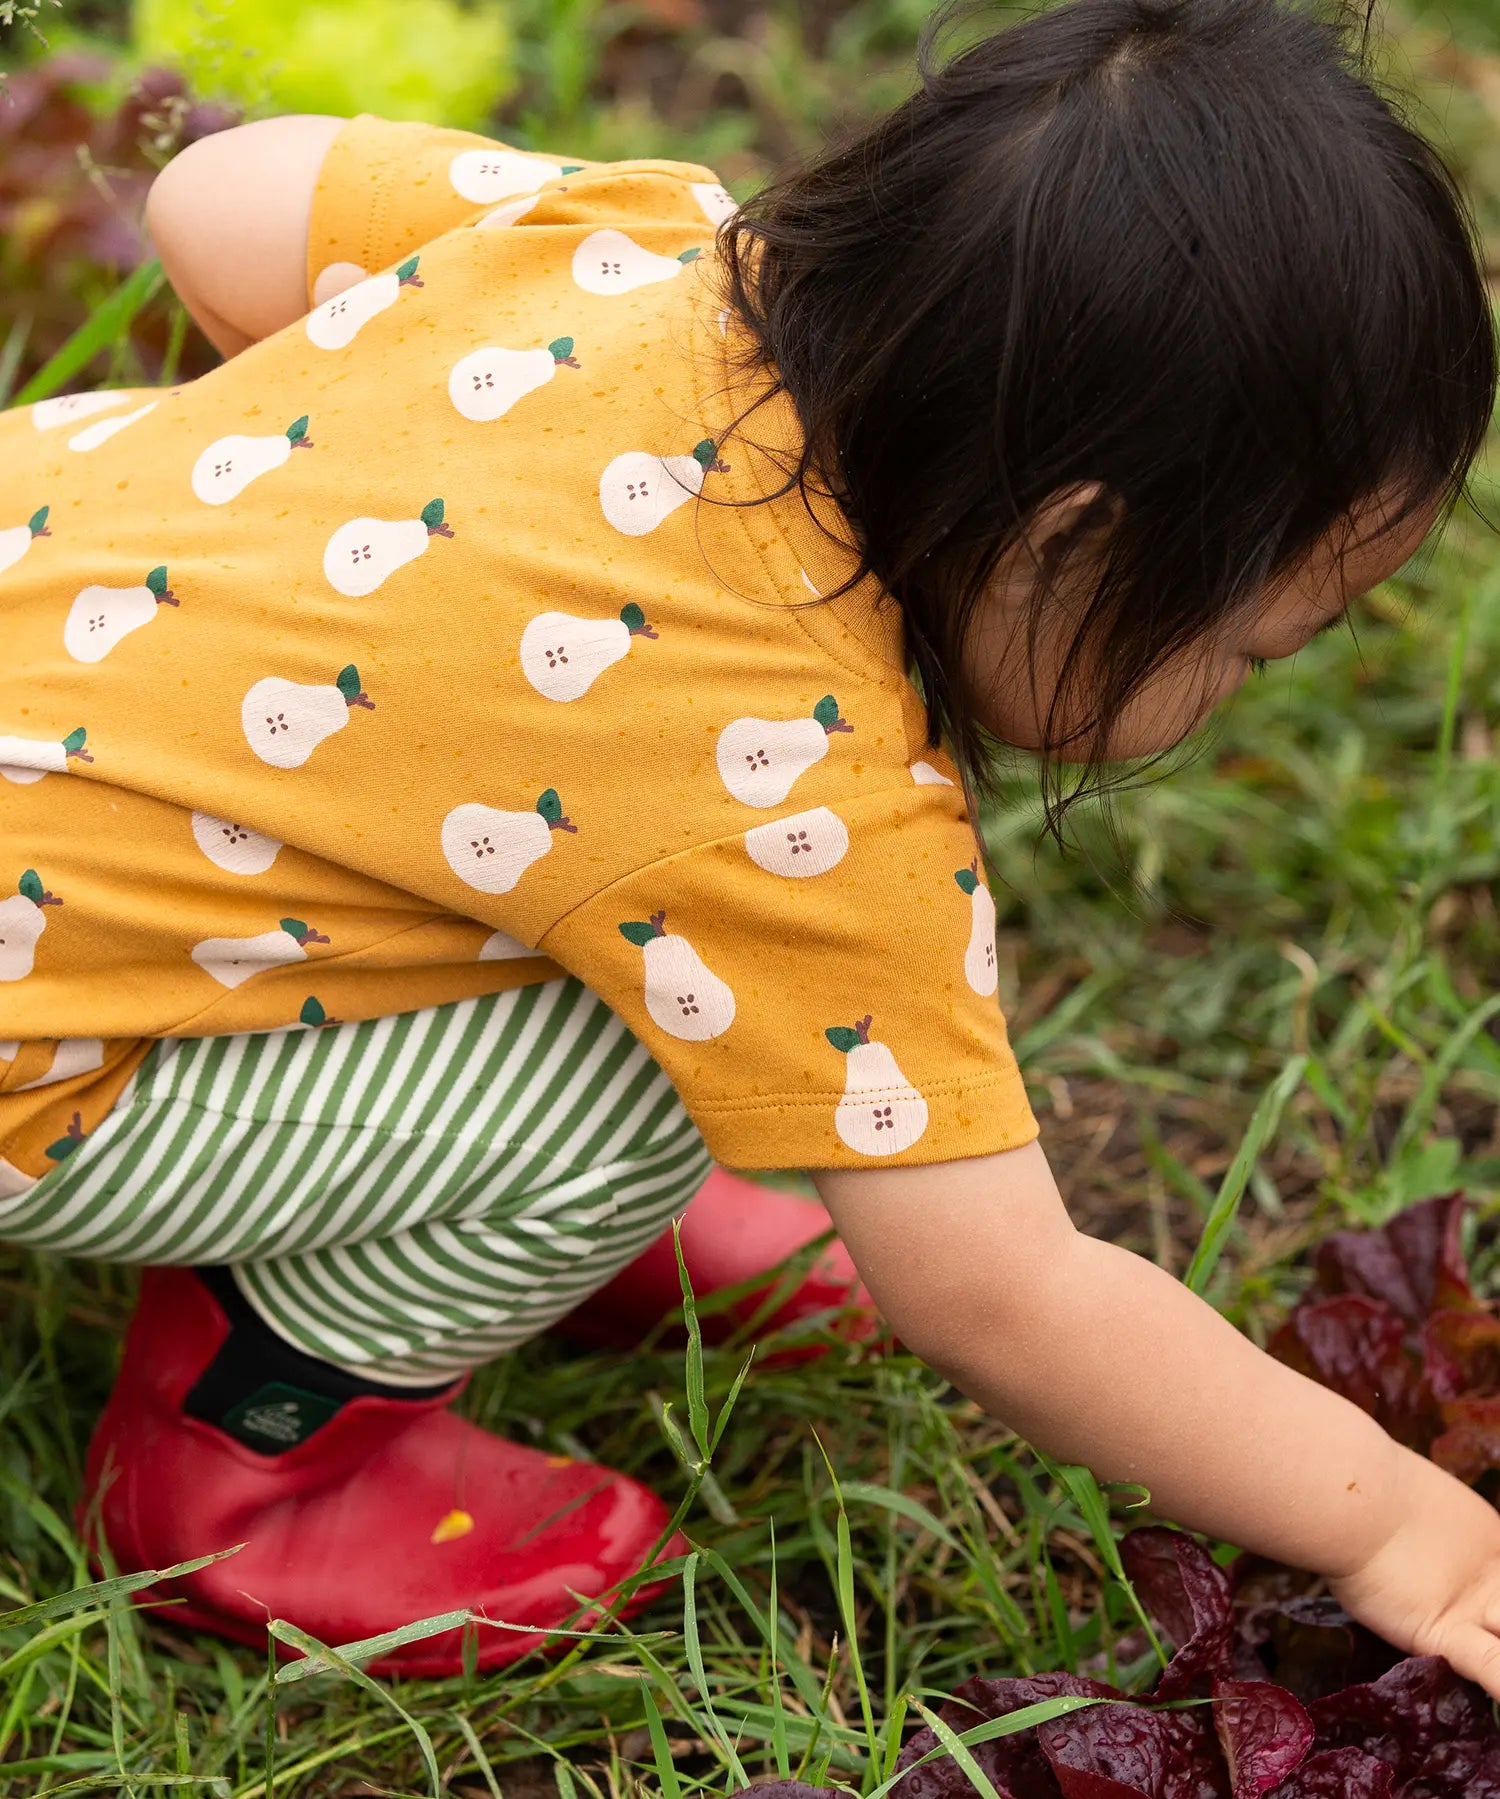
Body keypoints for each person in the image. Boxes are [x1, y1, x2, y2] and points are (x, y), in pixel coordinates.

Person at [2, 0, 1497, 1685]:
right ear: (1076, 542)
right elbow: (997, 1298)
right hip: (35, 1050)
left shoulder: (629, 237)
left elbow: (222, 203)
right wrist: (1396, 1527)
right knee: (612, 1121)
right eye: (1255, 646)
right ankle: (251, 1465)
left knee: (617, 958)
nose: (1239, 690)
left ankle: (424, 1186)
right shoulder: (796, 779)